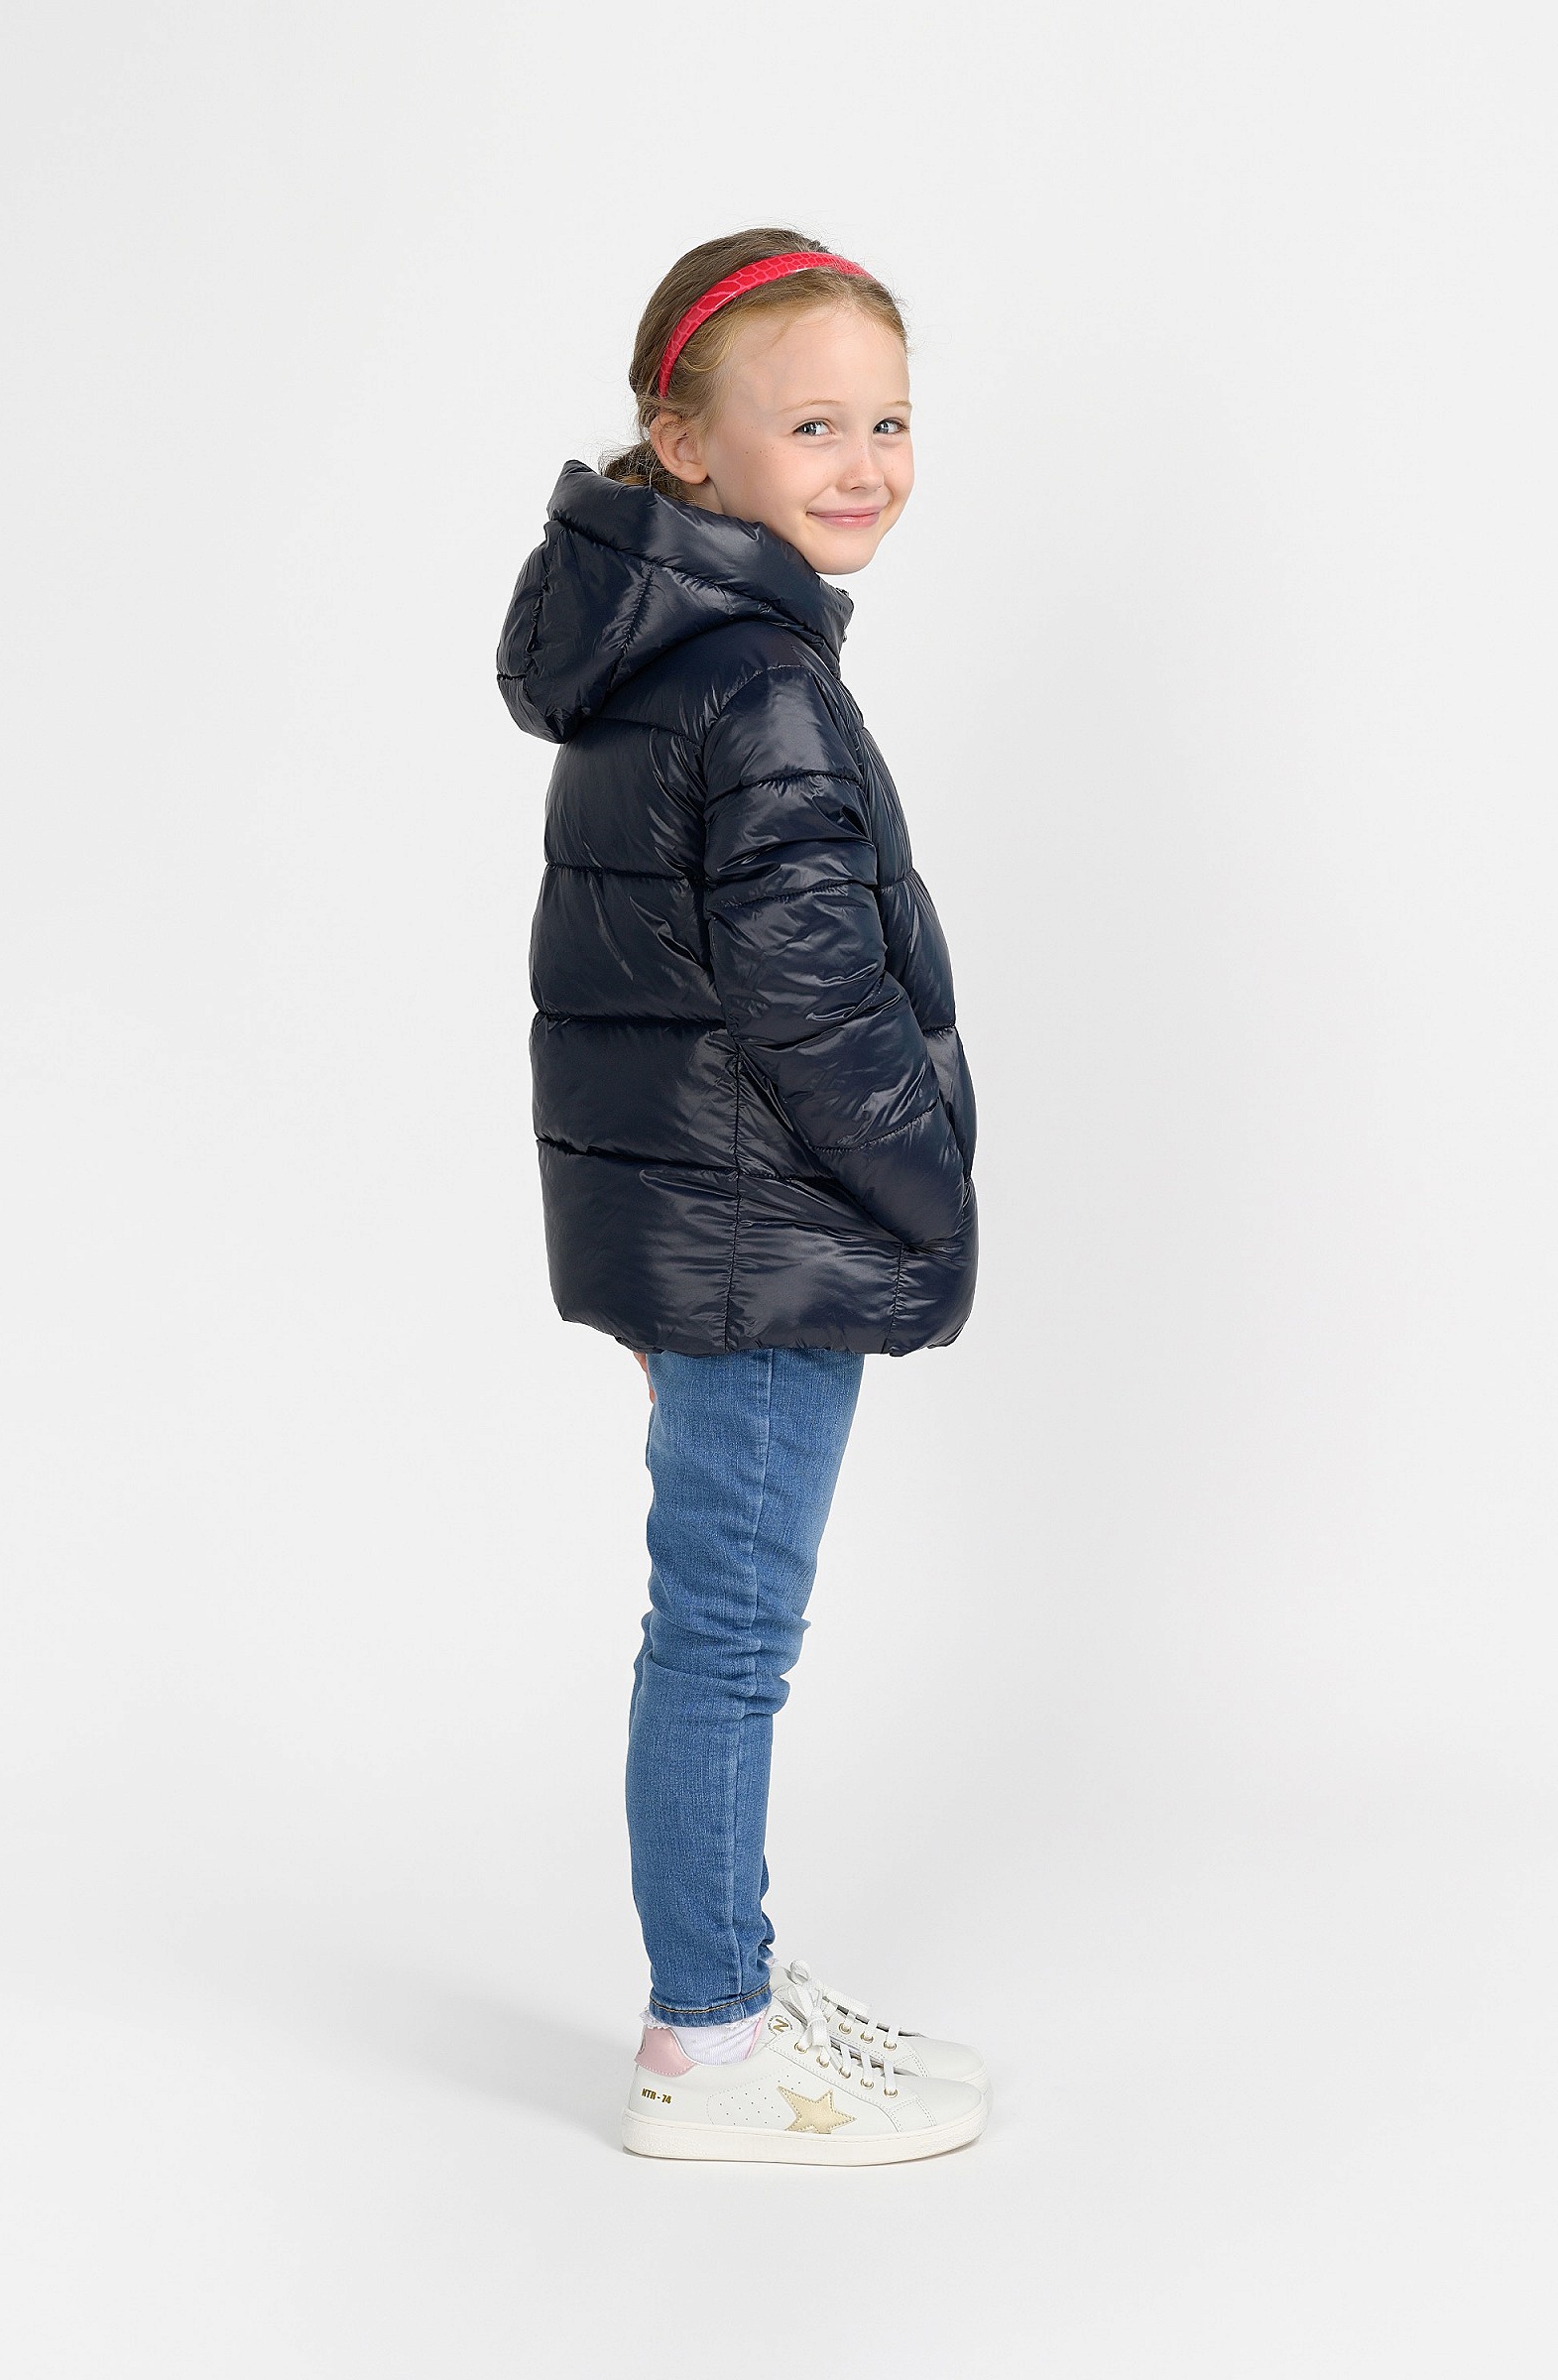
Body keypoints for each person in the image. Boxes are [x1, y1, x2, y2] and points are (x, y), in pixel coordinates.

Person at [497, 230, 986, 2164]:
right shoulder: (757, 676)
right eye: (814, 425)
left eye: (889, 421)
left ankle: (733, 1982)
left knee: (711, 1623)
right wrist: (927, 1201)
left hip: (704, 1230)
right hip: (768, 1239)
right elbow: (809, 1003)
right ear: (686, 443)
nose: (865, 463)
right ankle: (706, 2041)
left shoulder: (659, 655)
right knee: (722, 1639)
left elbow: (656, 985)